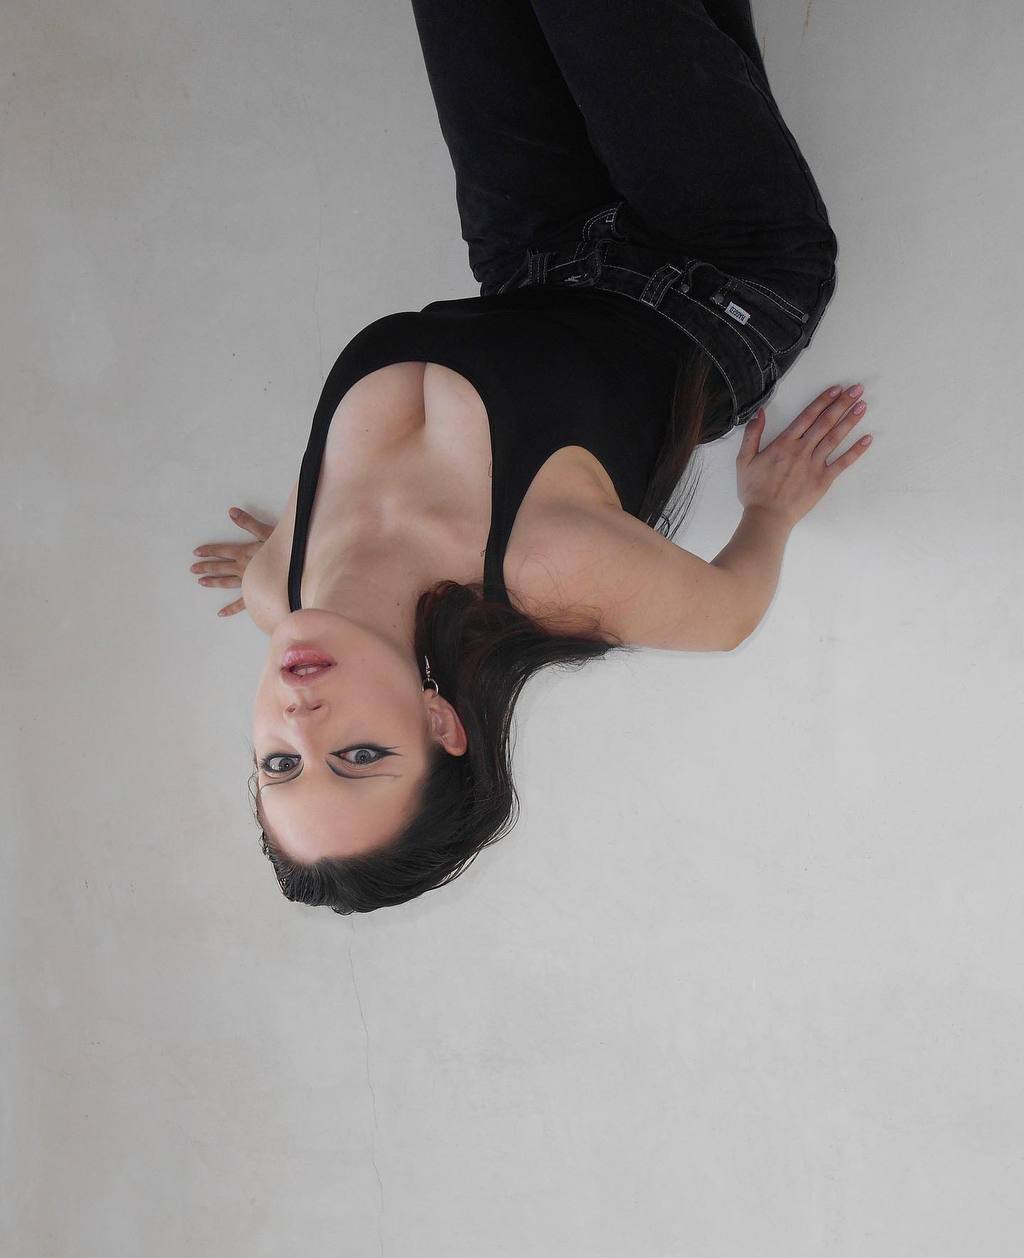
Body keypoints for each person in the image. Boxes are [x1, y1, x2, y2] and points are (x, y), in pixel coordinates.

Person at [189, 0, 871, 914]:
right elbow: (728, 619)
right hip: (721, 276)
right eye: (357, 755)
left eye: (279, 764)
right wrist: (771, 513)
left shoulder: (280, 586)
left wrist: (279, 556)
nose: (299, 720)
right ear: (441, 721)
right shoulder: (548, 571)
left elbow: (301, 574)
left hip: (534, 258)